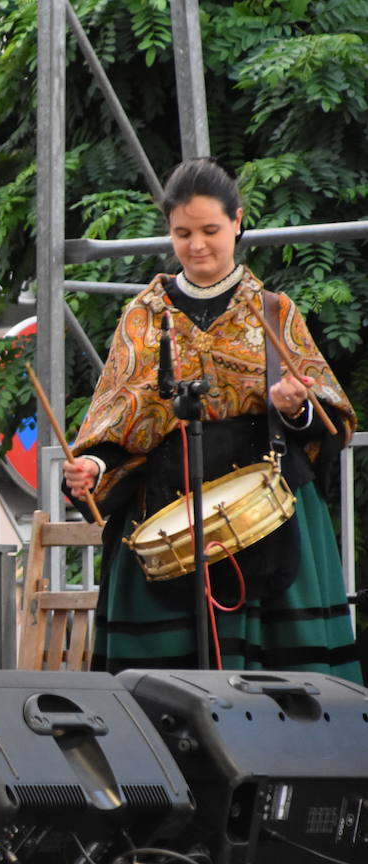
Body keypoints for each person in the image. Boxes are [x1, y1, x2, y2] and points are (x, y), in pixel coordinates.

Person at [63, 157, 359, 680]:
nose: (197, 245)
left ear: (237, 221)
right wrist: (92, 468)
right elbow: (115, 425)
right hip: (162, 508)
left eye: (210, 230)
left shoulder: (273, 311)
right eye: (182, 233)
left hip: (270, 511)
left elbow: (331, 423)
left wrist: (296, 407)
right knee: (157, 696)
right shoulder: (142, 316)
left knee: (283, 691)